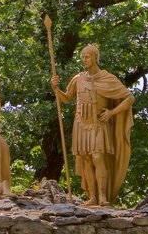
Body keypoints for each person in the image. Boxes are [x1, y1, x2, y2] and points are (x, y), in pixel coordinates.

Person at [51, 44, 134, 207]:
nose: (84, 59)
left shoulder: (107, 78)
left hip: (98, 123)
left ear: (96, 57)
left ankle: (103, 197)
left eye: (87, 56)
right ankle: (92, 197)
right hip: (80, 123)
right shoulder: (78, 78)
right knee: (86, 159)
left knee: (97, 157)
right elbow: (67, 98)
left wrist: (112, 112)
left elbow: (129, 98)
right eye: (82, 57)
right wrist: (55, 89)